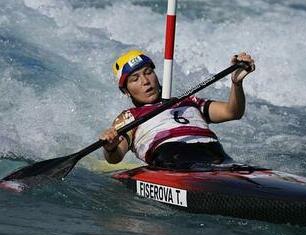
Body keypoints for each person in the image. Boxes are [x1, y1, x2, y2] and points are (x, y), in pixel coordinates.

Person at [100, 50, 255, 169]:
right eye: (135, 79)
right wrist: (110, 147)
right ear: (126, 91)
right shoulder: (129, 117)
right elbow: (115, 157)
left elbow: (232, 112)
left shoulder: (189, 101)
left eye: (148, 72)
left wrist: (236, 83)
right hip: (172, 161)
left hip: (217, 156)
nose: (146, 81)